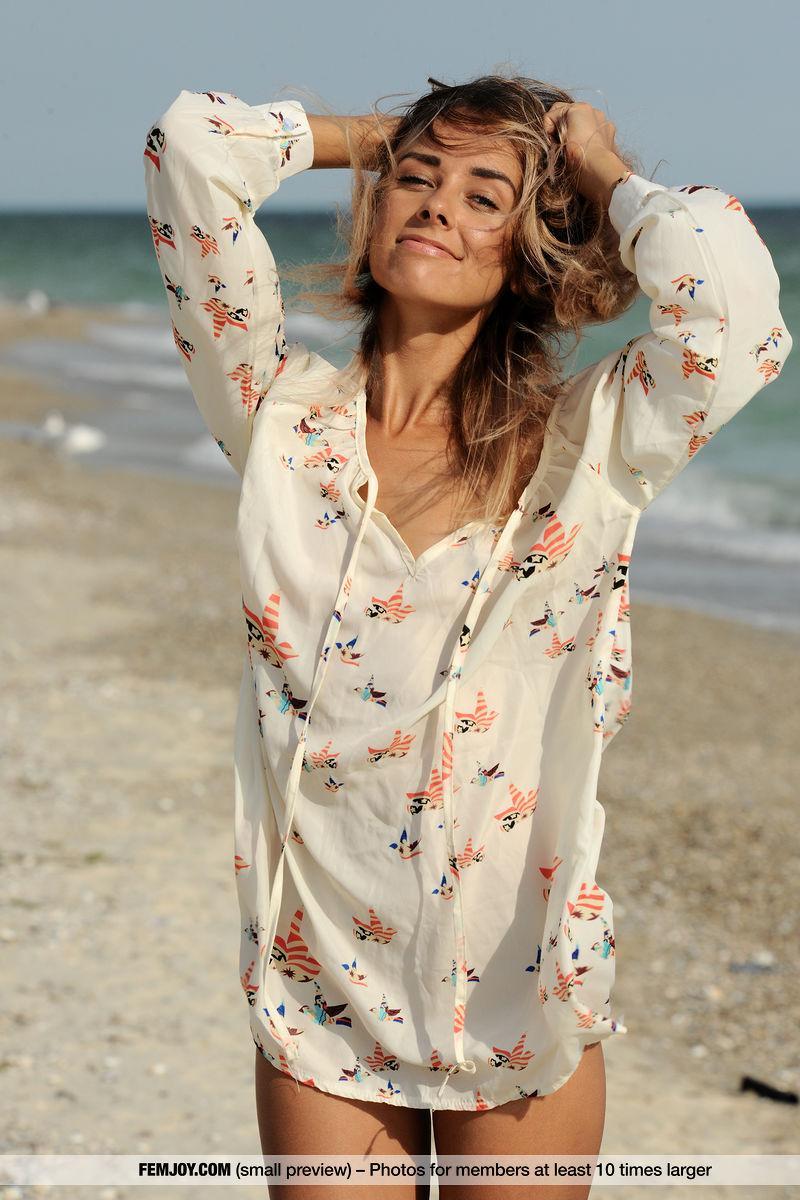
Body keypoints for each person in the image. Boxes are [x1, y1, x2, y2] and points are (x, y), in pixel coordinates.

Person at [143, 74, 791, 1199]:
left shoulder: (593, 445)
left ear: (529, 251)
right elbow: (189, 149)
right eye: (416, 179)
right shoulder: (278, 417)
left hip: (519, 972)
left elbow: (732, 311)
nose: (437, 205)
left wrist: (594, 162)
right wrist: (369, 137)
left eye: (486, 195)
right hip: (321, 981)